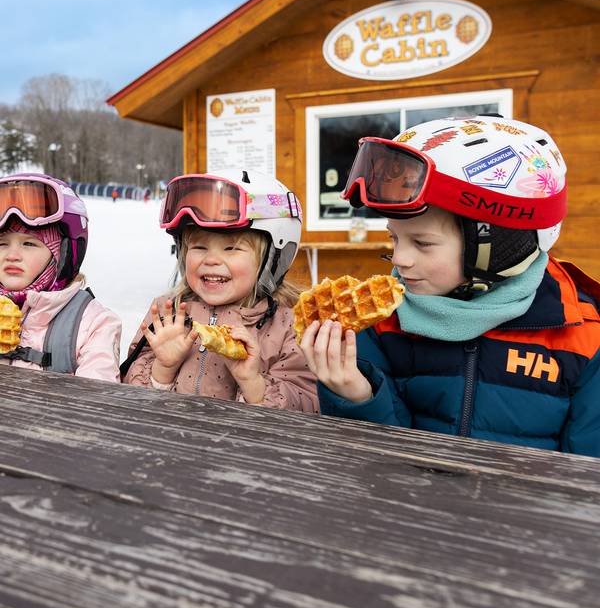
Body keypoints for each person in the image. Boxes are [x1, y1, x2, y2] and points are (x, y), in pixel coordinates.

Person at [300, 115, 600, 457]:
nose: (400, 259)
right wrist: (356, 395)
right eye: (394, 238)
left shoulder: (582, 337)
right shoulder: (380, 325)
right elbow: (376, 461)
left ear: (499, 244)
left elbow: (587, 475)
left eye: (423, 243)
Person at [122, 169, 318, 412]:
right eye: (200, 247)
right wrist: (164, 368)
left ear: (272, 257)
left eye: (231, 248)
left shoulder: (289, 326)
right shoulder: (169, 313)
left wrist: (252, 382)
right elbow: (129, 397)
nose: (211, 260)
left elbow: (308, 406)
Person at [0, 173, 121, 381]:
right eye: (2, 244)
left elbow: (96, 402)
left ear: (63, 254)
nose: (12, 256)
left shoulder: (94, 324)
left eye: (29, 244)